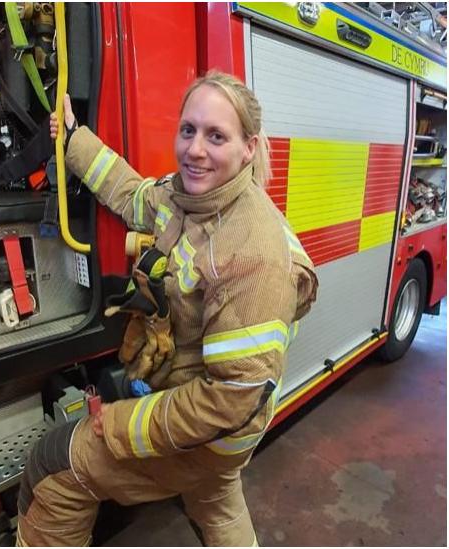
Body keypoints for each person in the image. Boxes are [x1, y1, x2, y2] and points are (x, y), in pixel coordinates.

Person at [16, 72, 318, 547]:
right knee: (215, 500)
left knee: (55, 465)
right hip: (217, 431)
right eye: (188, 130)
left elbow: (227, 402)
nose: (195, 149)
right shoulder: (187, 198)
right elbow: (132, 194)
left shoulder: (251, 251)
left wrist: (116, 424)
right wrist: (75, 140)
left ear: (248, 147)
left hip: (215, 433)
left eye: (216, 136)